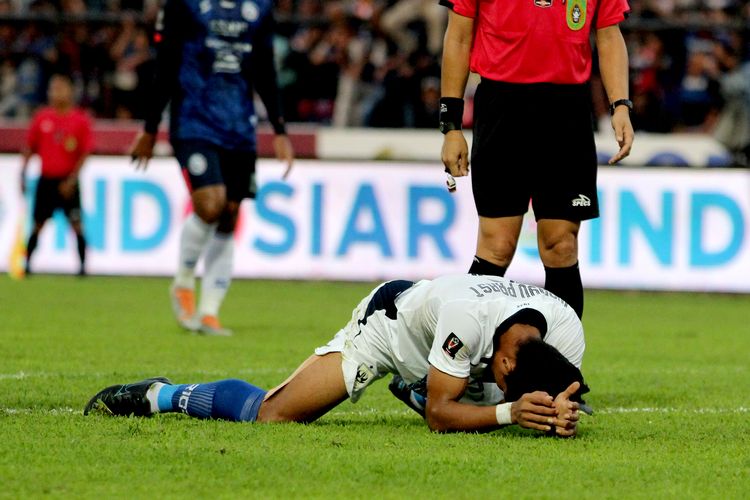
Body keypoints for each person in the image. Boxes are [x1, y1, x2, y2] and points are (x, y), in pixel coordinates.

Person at [84, 274, 591, 436]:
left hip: (454, 347)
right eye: (510, 386)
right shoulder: (467, 320)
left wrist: (560, 408)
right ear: (505, 367)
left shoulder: (567, 330)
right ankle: (162, 394)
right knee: (274, 415)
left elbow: (559, 387)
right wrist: (509, 411)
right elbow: (441, 416)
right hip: (389, 324)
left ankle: (421, 382)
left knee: (467, 395)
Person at [438, 0, 635, 319]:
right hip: (502, 107)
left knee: (561, 244)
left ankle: (564, 362)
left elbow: (609, 35)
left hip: (567, 112)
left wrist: (621, 105)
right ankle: (462, 357)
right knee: (496, 246)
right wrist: (451, 126)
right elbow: (458, 37)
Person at [129, 0, 295, 336]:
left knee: (230, 213)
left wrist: (279, 130)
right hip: (194, 123)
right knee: (210, 203)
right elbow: (166, 63)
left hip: (239, 127)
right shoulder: (184, 5)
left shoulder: (259, 8)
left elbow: (264, 68)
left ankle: (209, 312)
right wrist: (149, 128)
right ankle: (184, 282)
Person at [20, 73, 92, 277]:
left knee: (76, 225)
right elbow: (29, 147)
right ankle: (27, 265)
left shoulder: (79, 120)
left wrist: (72, 179)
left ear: (70, 91)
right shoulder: (42, 117)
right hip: (46, 180)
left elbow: (85, 153)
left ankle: (83, 268)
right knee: (37, 225)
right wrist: (23, 173)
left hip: (68, 180)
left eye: (60, 88)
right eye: (53, 88)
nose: (55, 92)